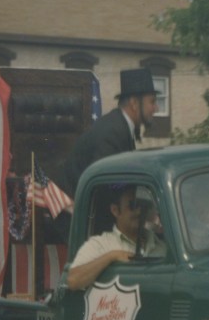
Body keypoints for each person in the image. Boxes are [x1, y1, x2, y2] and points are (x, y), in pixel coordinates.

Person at [61, 68, 157, 196]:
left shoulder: (120, 126)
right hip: (73, 212)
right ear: (134, 103)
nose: (156, 108)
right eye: (152, 101)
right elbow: (106, 185)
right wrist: (132, 184)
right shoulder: (113, 132)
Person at [66, 185, 165, 290]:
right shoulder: (102, 245)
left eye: (143, 205)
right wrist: (112, 256)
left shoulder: (161, 246)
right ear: (115, 210)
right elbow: (73, 280)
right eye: (133, 205)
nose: (139, 211)